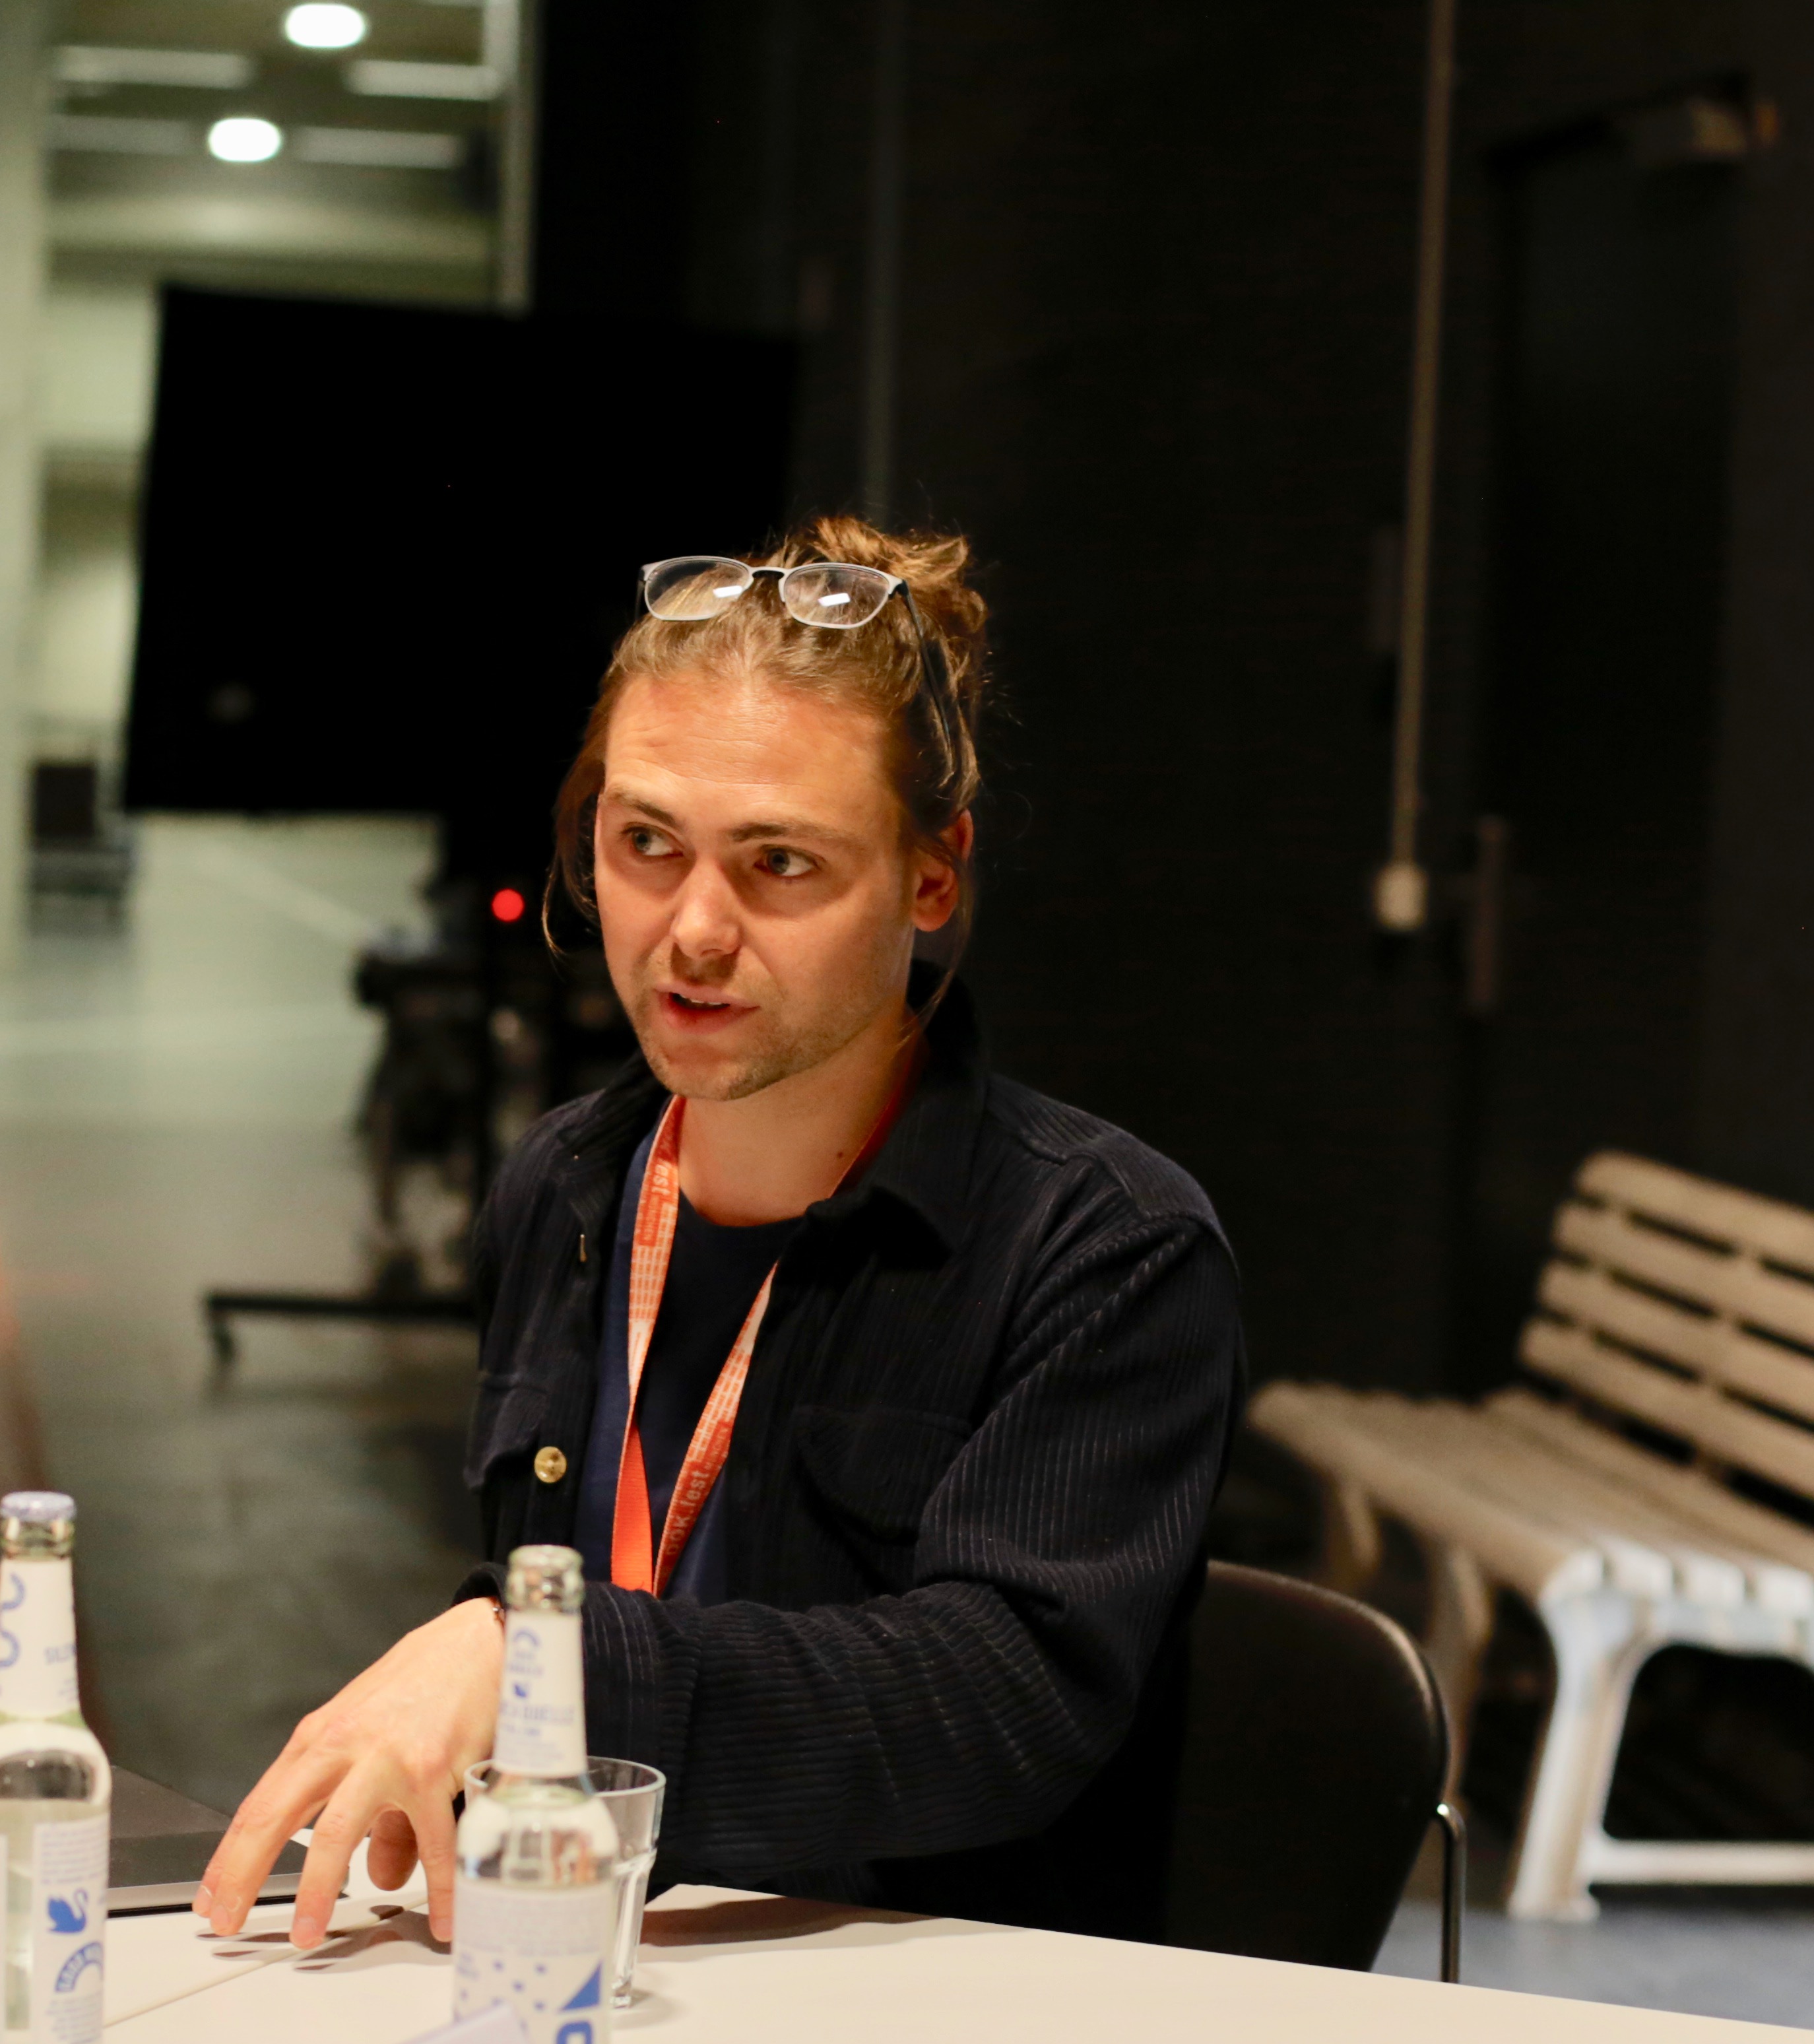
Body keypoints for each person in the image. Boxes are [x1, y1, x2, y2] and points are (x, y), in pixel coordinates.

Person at [198, 521, 1245, 1949]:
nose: (693, 930)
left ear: (932, 880)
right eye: (647, 844)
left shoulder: (1106, 1250)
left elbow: (1002, 1701)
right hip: (594, 1956)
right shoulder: (565, 1188)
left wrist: (548, 1667)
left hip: (936, 2007)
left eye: (780, 864)